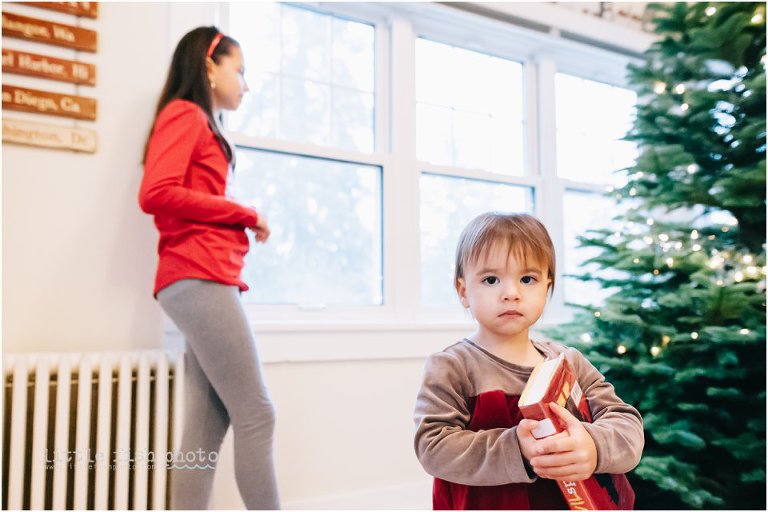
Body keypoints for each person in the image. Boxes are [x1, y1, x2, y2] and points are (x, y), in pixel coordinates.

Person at [413, 212, 643, 509]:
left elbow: (626, 424)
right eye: (491, 279)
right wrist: (516, 449)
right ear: (463, 291)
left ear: (546, 288)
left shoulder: (568, 361)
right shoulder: (452, 366)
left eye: (527, 279)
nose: (511, 293)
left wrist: (594, 447)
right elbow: (432, 447)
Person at [139, 26, 279, 510]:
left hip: (198, 277)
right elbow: (155, 193)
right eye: (239, 70)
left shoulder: (198, 122)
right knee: (258, 414)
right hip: (198, 276)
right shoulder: (185, 115)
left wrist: (237, 214)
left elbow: (186, 194)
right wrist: (245, 213)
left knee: (206, 423)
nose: (245, 83)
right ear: (208, 65)